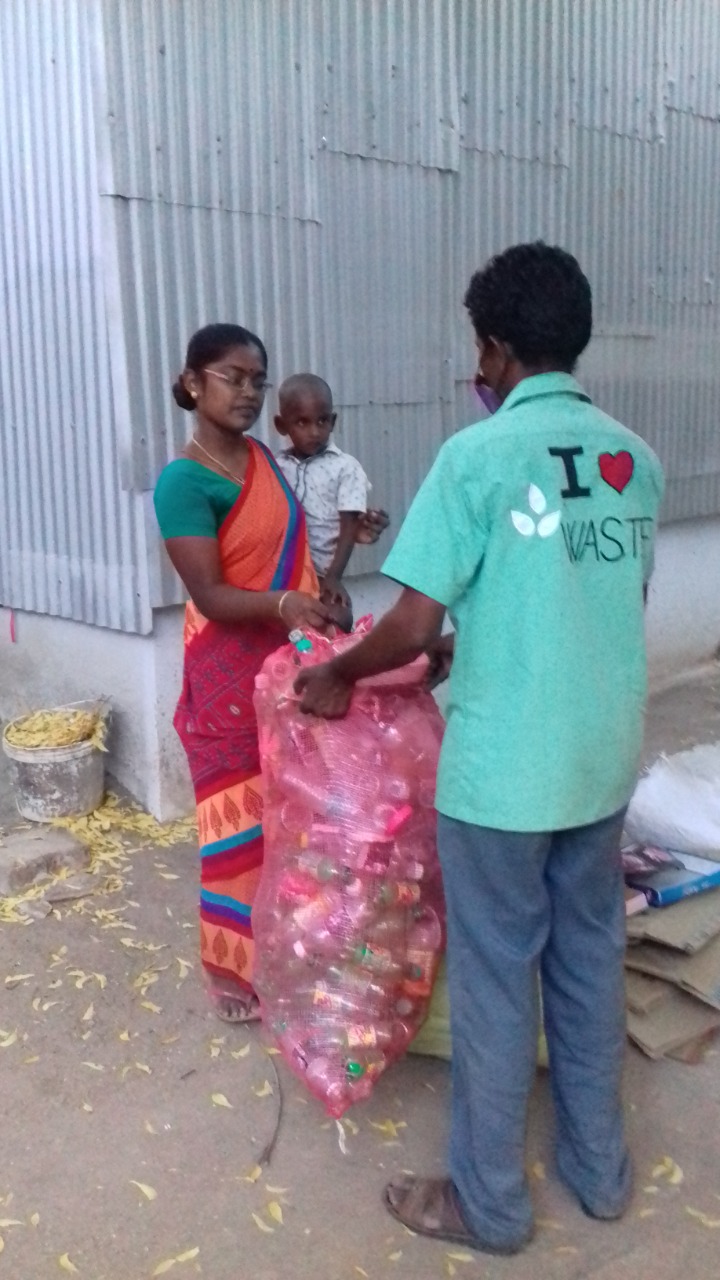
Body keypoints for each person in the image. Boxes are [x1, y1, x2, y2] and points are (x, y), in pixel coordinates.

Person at [295, 243, 665, 1254]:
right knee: (589, 959)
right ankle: (602, 1172)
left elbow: (410, 627)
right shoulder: (638, 454)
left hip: (504, 777)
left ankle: (488, 1203)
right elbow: (595, 604)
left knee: (501, 976)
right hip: (599, 760)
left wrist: (338, 673)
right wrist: (489, 634)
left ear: (494, 348)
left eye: (480, 351)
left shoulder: (479, 454)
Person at [153, 323, 337, 1023]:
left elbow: (292, 556)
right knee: (235, 827)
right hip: (227, 677)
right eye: (233, 377)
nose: (250, 392)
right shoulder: (183, 480)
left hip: (286, 667)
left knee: (293, 817)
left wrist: (319, 596)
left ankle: (294, 947)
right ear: (195, 382)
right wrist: (287, 602)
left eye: (258, 380)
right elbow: (210, 594)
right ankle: (231, 970)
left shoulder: (263, 458)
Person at [274, 373, 385, 608]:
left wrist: (334, 577)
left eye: (322, 421)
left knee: (336, 621)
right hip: (284, 574)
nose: (314, 432)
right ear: (282, 425)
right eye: (302, 422)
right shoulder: (276, 466)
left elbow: (349, 526)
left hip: (324, 573)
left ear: (333, 421)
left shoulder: (345, 468)